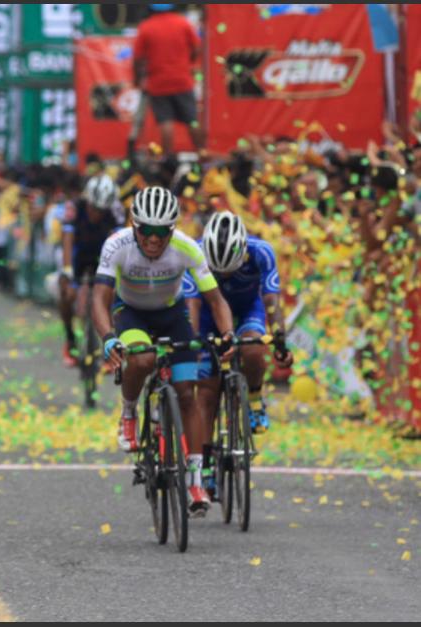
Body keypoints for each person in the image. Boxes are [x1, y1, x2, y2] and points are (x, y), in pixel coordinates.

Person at [92, 186, 235, 517]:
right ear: (134, 225)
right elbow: (99, 298)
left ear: (173, 229)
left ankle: (196, 480)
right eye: (146, 231)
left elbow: (216, 300)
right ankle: (129, 411)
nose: (154, 239)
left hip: (173, 316)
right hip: (131, 313)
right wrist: (109, 338)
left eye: (162, 232)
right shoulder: (117, 245)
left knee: (188, 394)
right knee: (141, 358)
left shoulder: (186, 247)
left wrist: (227, 334)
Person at [183, 211, 294, 500]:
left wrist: (280, 339)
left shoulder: (261, 252)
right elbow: (192, 308)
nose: (224, 277)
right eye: (218, 272)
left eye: (229, 270)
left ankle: (255, 399)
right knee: (206, 394)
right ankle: (206, 467)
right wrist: (195, 345)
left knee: (254, 349)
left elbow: (272, 302)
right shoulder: (193, 253)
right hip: (209, 314)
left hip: (247, 311)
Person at [58, 173, 124, 368]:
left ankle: (109, 344)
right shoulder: (74, 207)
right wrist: (68, 271)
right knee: (67, 293)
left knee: (112, 296)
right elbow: (67, 241)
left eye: (101, 210)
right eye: (94, 208)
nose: (97, 213)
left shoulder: (116, 210)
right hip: (79, 254)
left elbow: (118, 242)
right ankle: (70, 339)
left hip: (103, 253)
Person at [132, 5, 203, 157]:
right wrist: (188, 62)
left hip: (158, 83)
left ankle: (168, 159)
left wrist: (137, 80)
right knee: (192, 120)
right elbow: (197, 47)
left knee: (165, 122)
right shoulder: (182, 23)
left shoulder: (146, 27)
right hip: (182, 80)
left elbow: (137, 59)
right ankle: (202, 153)